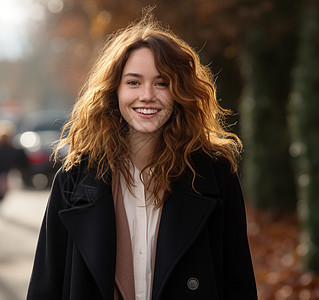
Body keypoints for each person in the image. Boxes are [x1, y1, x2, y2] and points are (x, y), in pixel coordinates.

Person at [27, 10, 257, 300]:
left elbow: (237, 282)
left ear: (180, 91)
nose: (147, 94)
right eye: (133, 82)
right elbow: (46, 284)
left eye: (162, 83)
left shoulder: (215, 174)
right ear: (114, 91)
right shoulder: (73, 179)